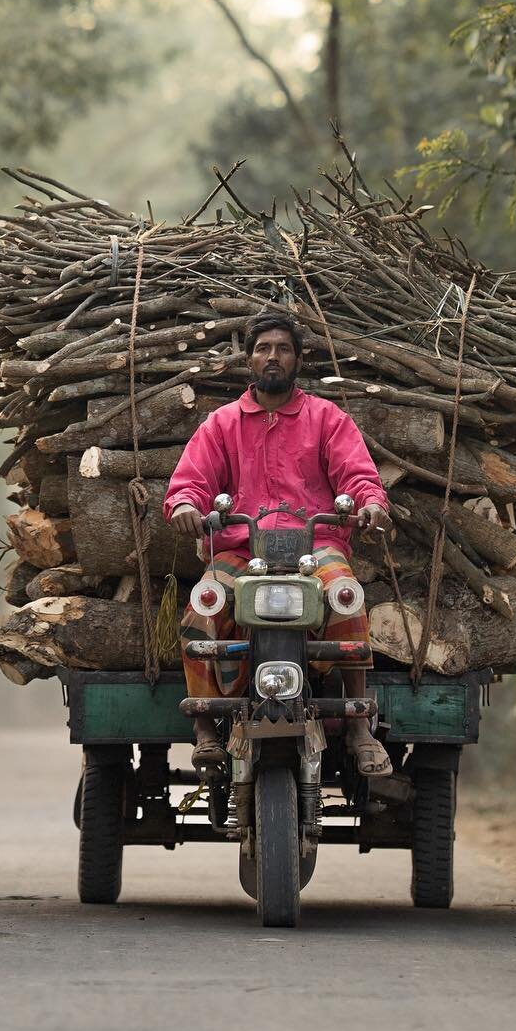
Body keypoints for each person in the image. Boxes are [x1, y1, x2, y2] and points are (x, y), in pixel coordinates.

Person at [164, 309, 393, 776]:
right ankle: (206, 729)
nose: (273, 357)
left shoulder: (328, 419)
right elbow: (190, 482)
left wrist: (371, 505)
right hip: (240, 550)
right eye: (263, 348)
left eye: (283, 349)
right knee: (202, 606)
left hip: (317, 548)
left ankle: (357, 726)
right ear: (248, 359)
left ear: (298, 359)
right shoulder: (221, 424)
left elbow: (360, 476)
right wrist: (186, 506)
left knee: (346, 597)